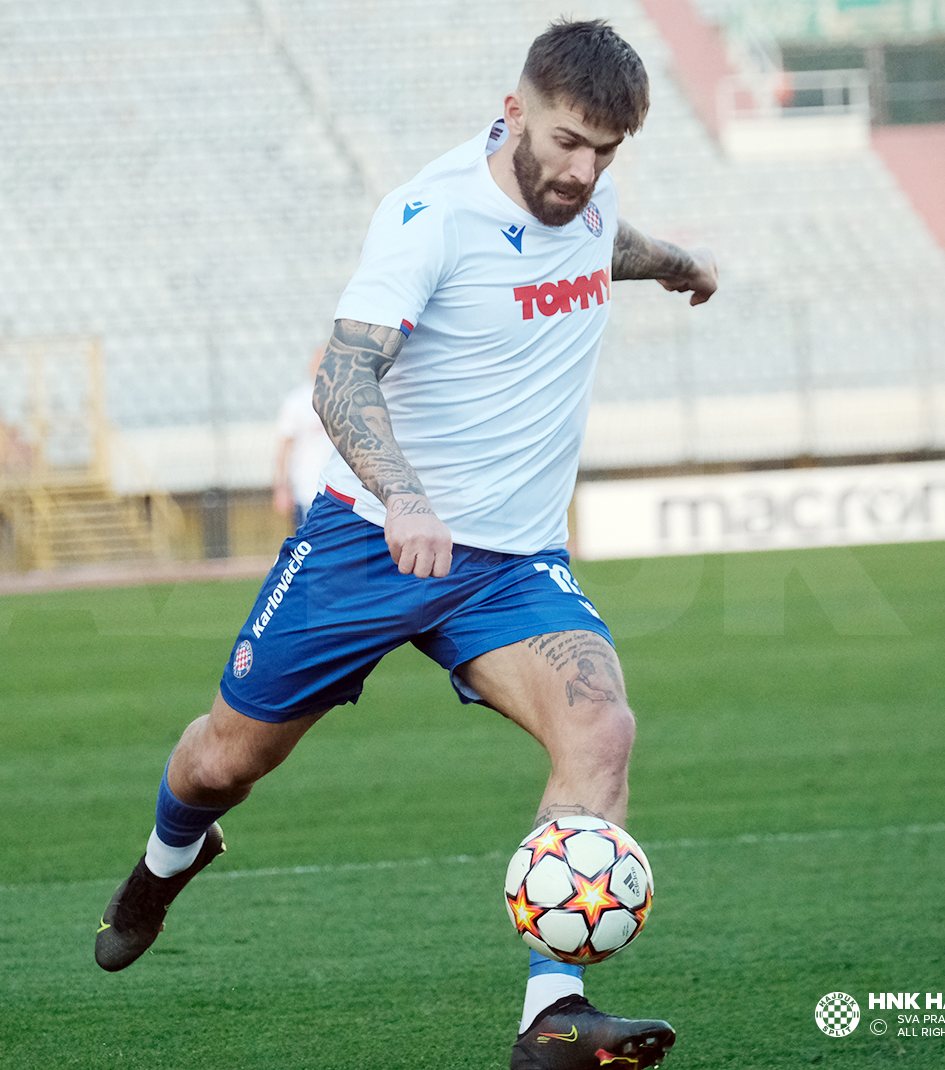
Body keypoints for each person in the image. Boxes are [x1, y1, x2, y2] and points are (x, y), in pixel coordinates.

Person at [96, 19, 717, 1069]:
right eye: (568, 142)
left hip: (512, 566)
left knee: (601, 727)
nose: (584, 169)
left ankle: (552, 1013)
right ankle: (167, 859)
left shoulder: (587, 191)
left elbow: (598, 240)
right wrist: (406, 497)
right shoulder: (428, 218)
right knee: (221, 758)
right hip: (370, 538)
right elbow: (342, 376)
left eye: (607, 151)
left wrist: (673, 262)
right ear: (513, 109)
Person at [271, 345, 337, 530]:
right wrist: (282, 487)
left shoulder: (345, 399)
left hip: (341, 491)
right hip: (307, 490)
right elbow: (284, 446)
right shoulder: (297, 401)